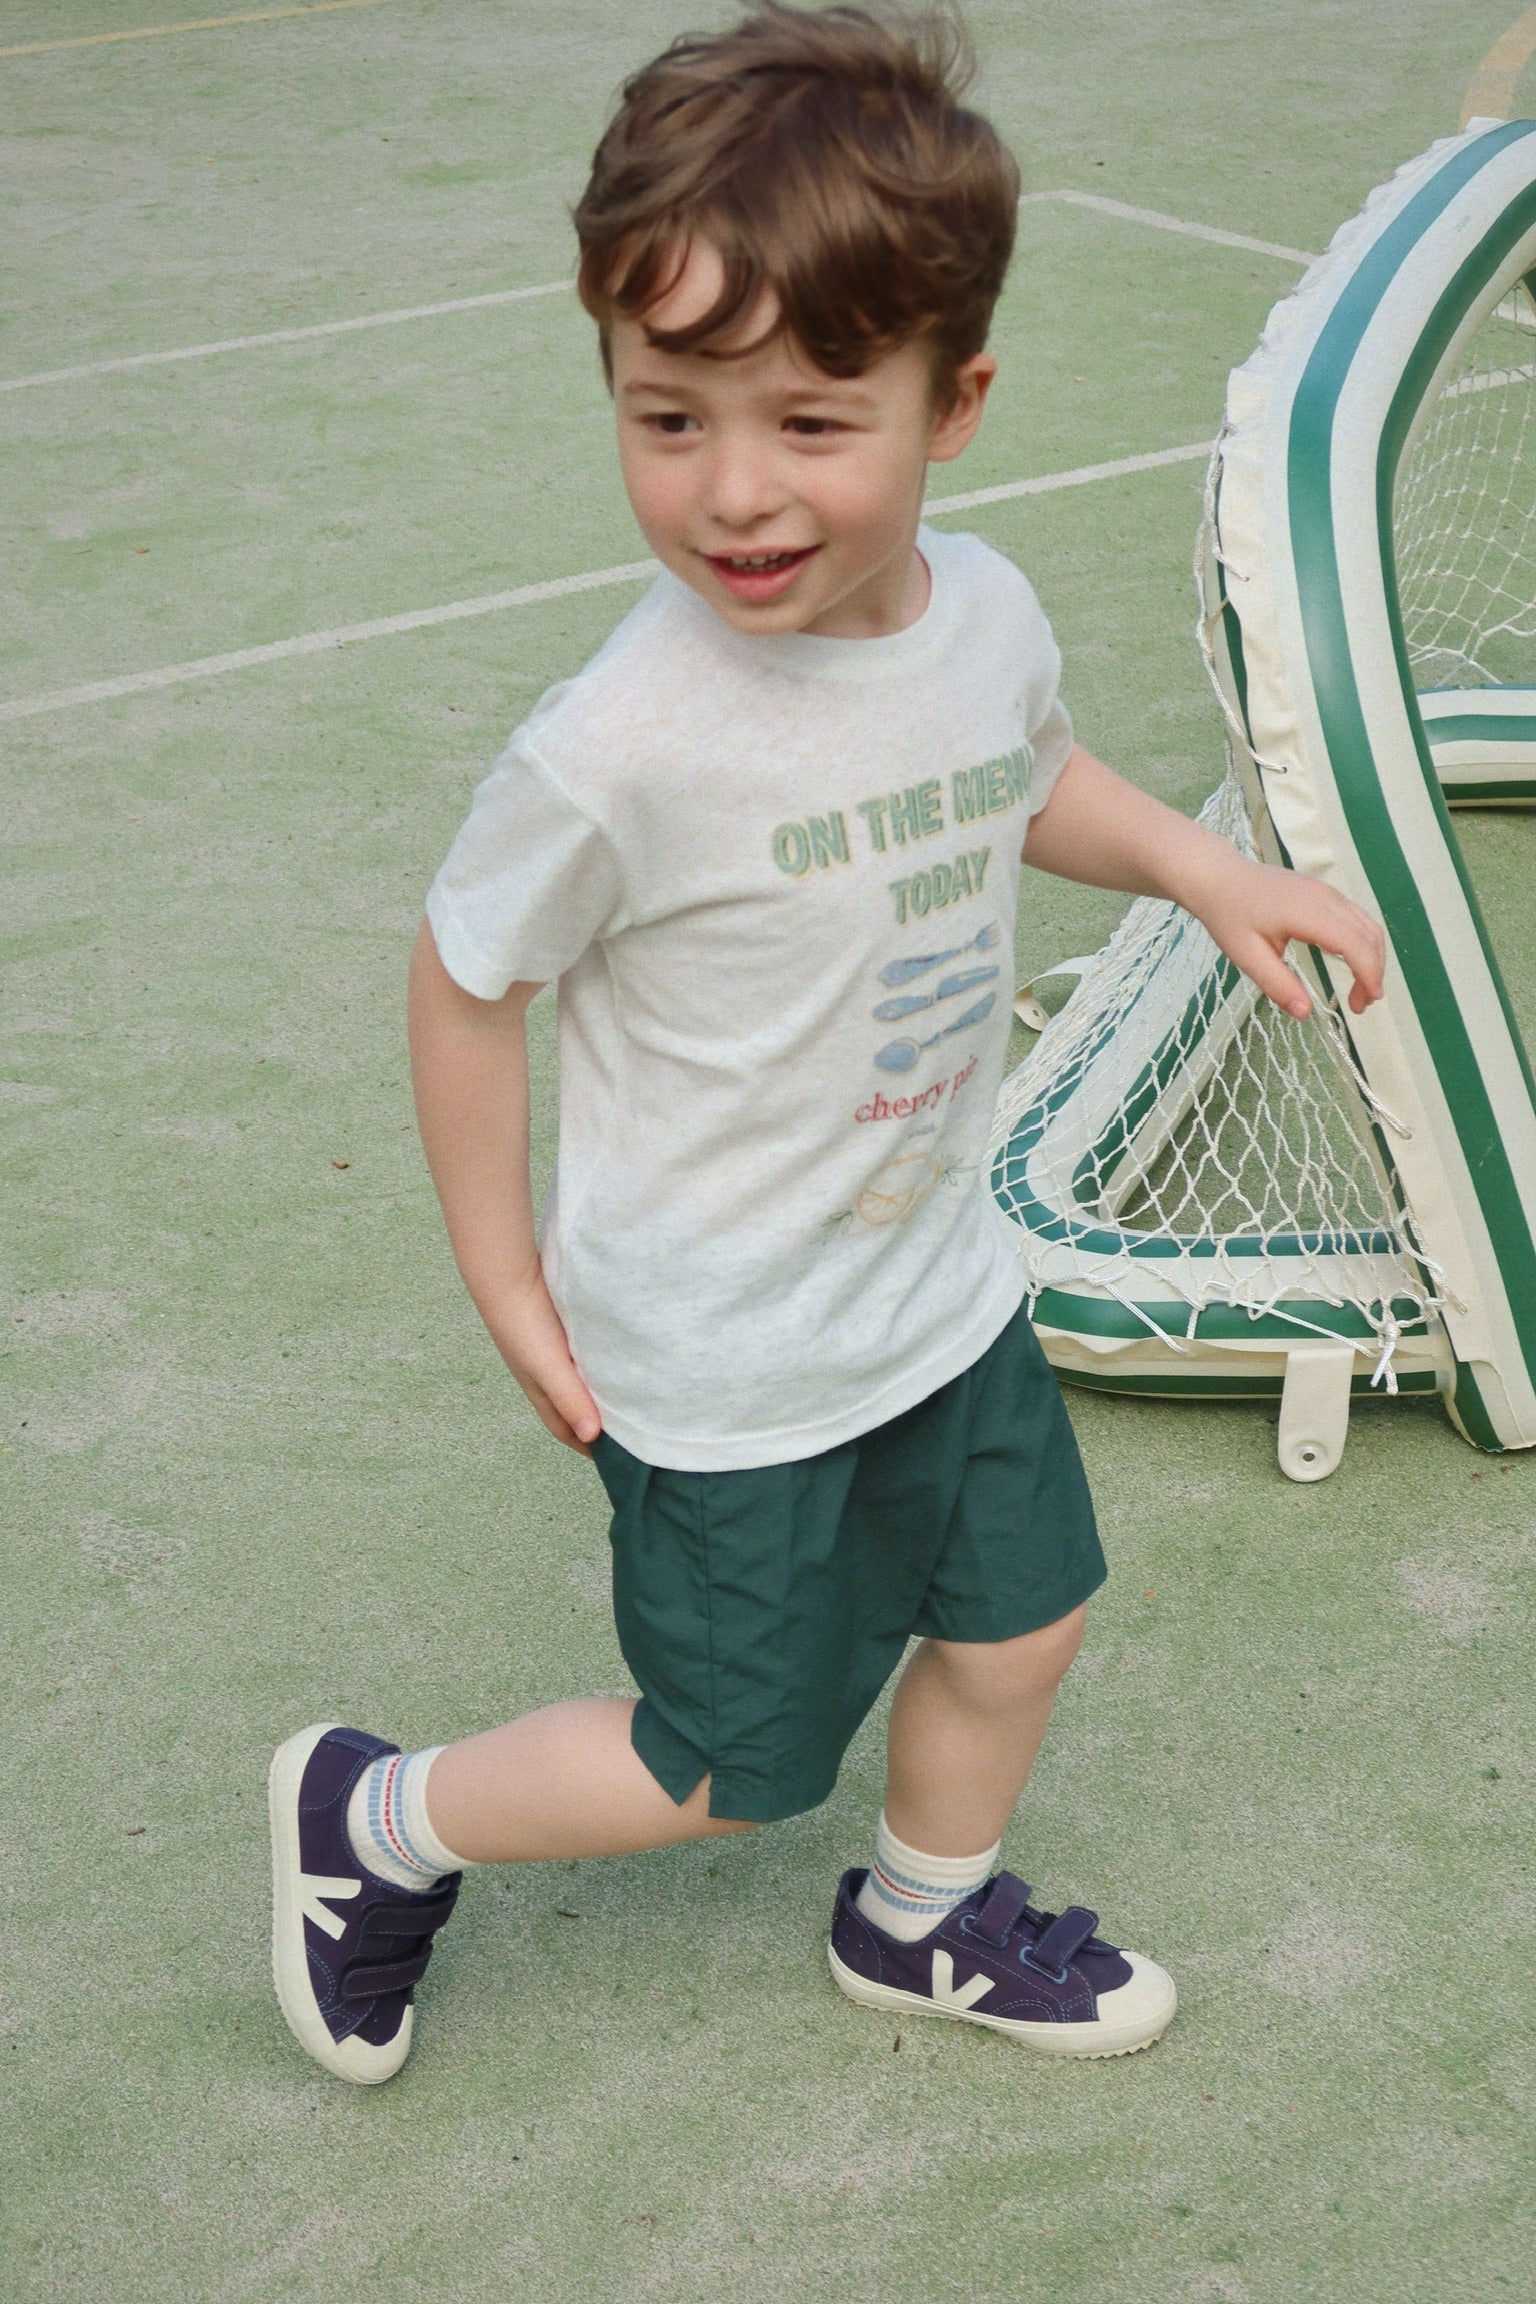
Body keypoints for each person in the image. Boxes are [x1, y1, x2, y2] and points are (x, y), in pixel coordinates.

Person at [268, 1, 1384, 2084]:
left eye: (806, 417)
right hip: (726, 1363)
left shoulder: (985, 616)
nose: (733, 490)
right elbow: (463, 977)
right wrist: (504, 1276)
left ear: (953, 401)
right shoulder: (621, 747)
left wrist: (1204, 872)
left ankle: (922, 1919)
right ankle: (375, 1816)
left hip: (937, 1288)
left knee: (1024, 1622)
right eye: (668, 416)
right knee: (721, 1765)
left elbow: (1019, 778)